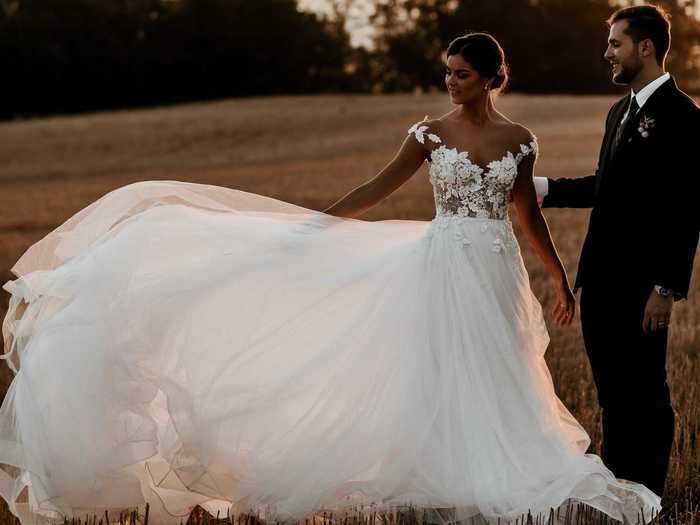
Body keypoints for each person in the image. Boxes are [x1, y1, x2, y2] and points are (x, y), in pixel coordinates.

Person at [0, 33, 660, 525]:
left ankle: (495, 467)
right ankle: (441, 471)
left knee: (499, 367)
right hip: (442, 261)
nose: (451, 83)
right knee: (434, 364)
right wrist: (322, 223)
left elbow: (527, 212)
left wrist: (555, 279)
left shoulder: (520, 138)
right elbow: (378, 183)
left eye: (461, 75)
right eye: (447, 74)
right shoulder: (429, 133)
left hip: (493, 264)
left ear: (491, 77)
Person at [534, 4, 700, 497]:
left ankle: (646, 491)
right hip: (601, 278)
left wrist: (666, 287)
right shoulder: (619, 111)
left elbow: (687, 208)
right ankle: (619, 488)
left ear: (645, 47)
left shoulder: (683, 116)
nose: (606, 52)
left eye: (615, 43)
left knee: (645, 393)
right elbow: (606, 187)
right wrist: (541, 188)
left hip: (643, 285)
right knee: (612, 392)